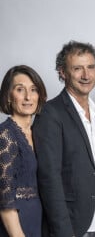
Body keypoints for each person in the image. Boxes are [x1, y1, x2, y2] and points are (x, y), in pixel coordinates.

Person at [32, 41, 95, 237]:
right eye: (77, 68)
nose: (86, 75)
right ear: (63, 73)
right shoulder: (50, 114)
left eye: (91, 67)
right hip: (72, 228)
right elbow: (49, 179)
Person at [0, 65, 47, 237]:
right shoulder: (5, 135)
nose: (28, 97)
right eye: (20, 90)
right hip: (16, 223)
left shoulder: (38, 132)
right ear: (9, 96)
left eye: (33, 90)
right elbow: (5, 201)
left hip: (37, 218)